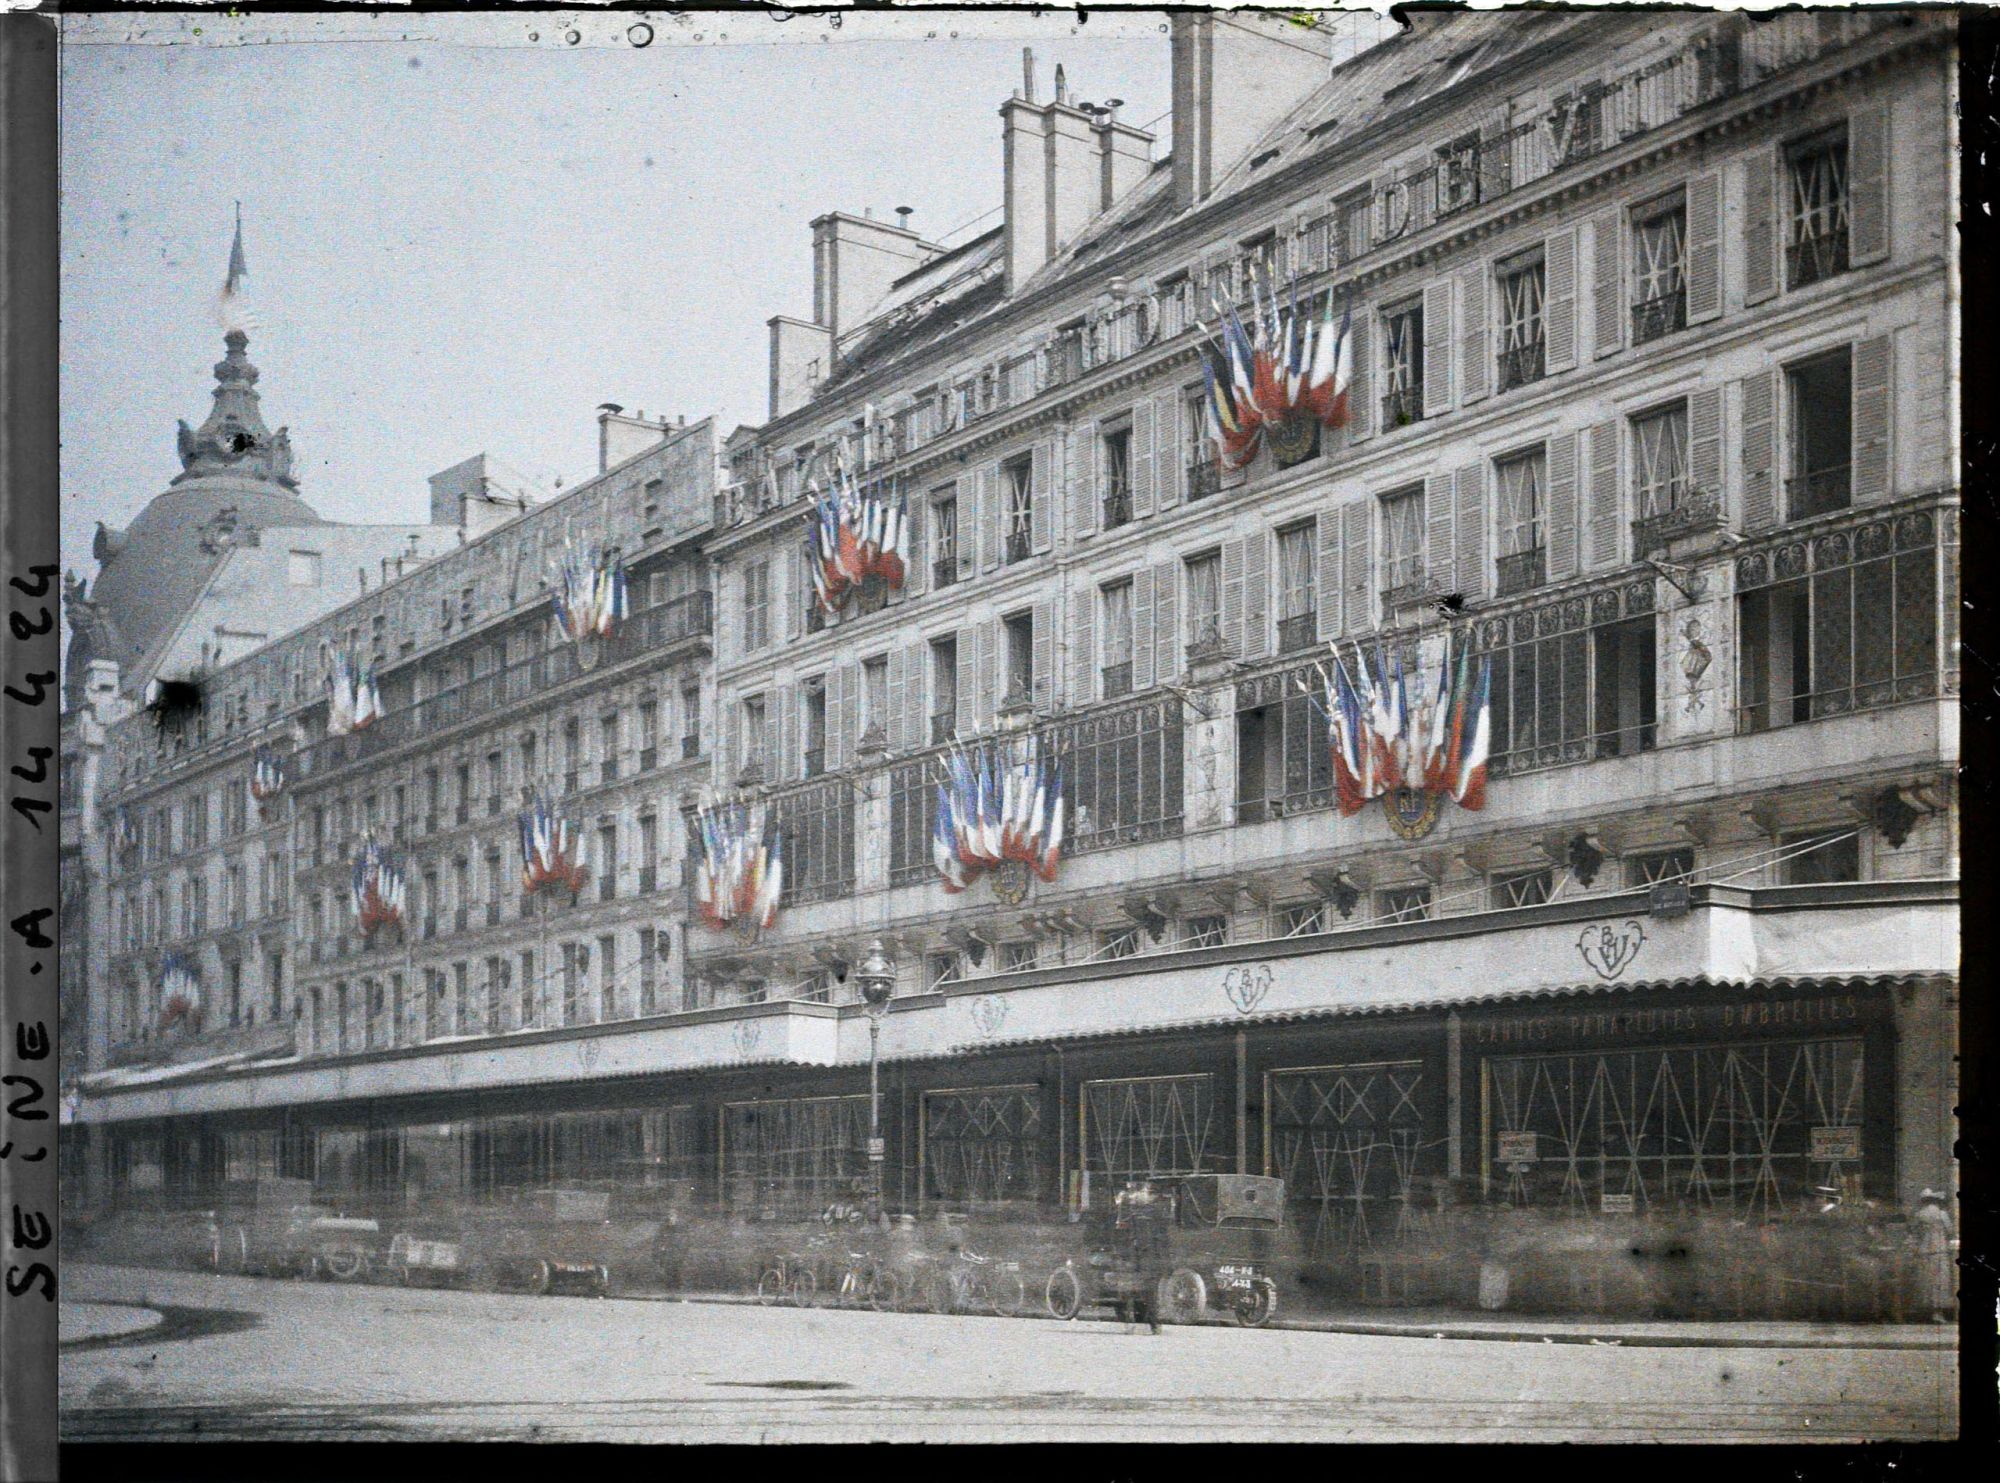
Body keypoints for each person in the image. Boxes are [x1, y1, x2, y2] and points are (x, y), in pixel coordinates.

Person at [1912, 1189, 1954, 1324]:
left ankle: (1927, 1312)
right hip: (1940, 1250)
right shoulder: (1942, 1214)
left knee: (1927, 1282)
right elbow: (1950, 1231)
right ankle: (1938, 1312)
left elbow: (1914, 1233)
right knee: (1940, 1282)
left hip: (1924, 1251)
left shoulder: (1919, 1214)